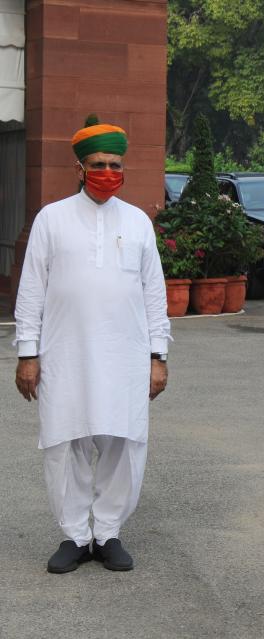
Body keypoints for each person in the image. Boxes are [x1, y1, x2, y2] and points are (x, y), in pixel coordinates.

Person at [13, 116, 171, 573]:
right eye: (98, 163)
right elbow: (31, 291)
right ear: (80, 169)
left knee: (123, 443)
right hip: (65, 355)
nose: (108, 171)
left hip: (126, 356)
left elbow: (154, 294)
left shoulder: (138, 222)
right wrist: (28, 353)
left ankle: (107, 533)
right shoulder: (52, 218)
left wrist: (157, 356)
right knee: (67, 444)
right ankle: (75, 537)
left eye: (115, 164)